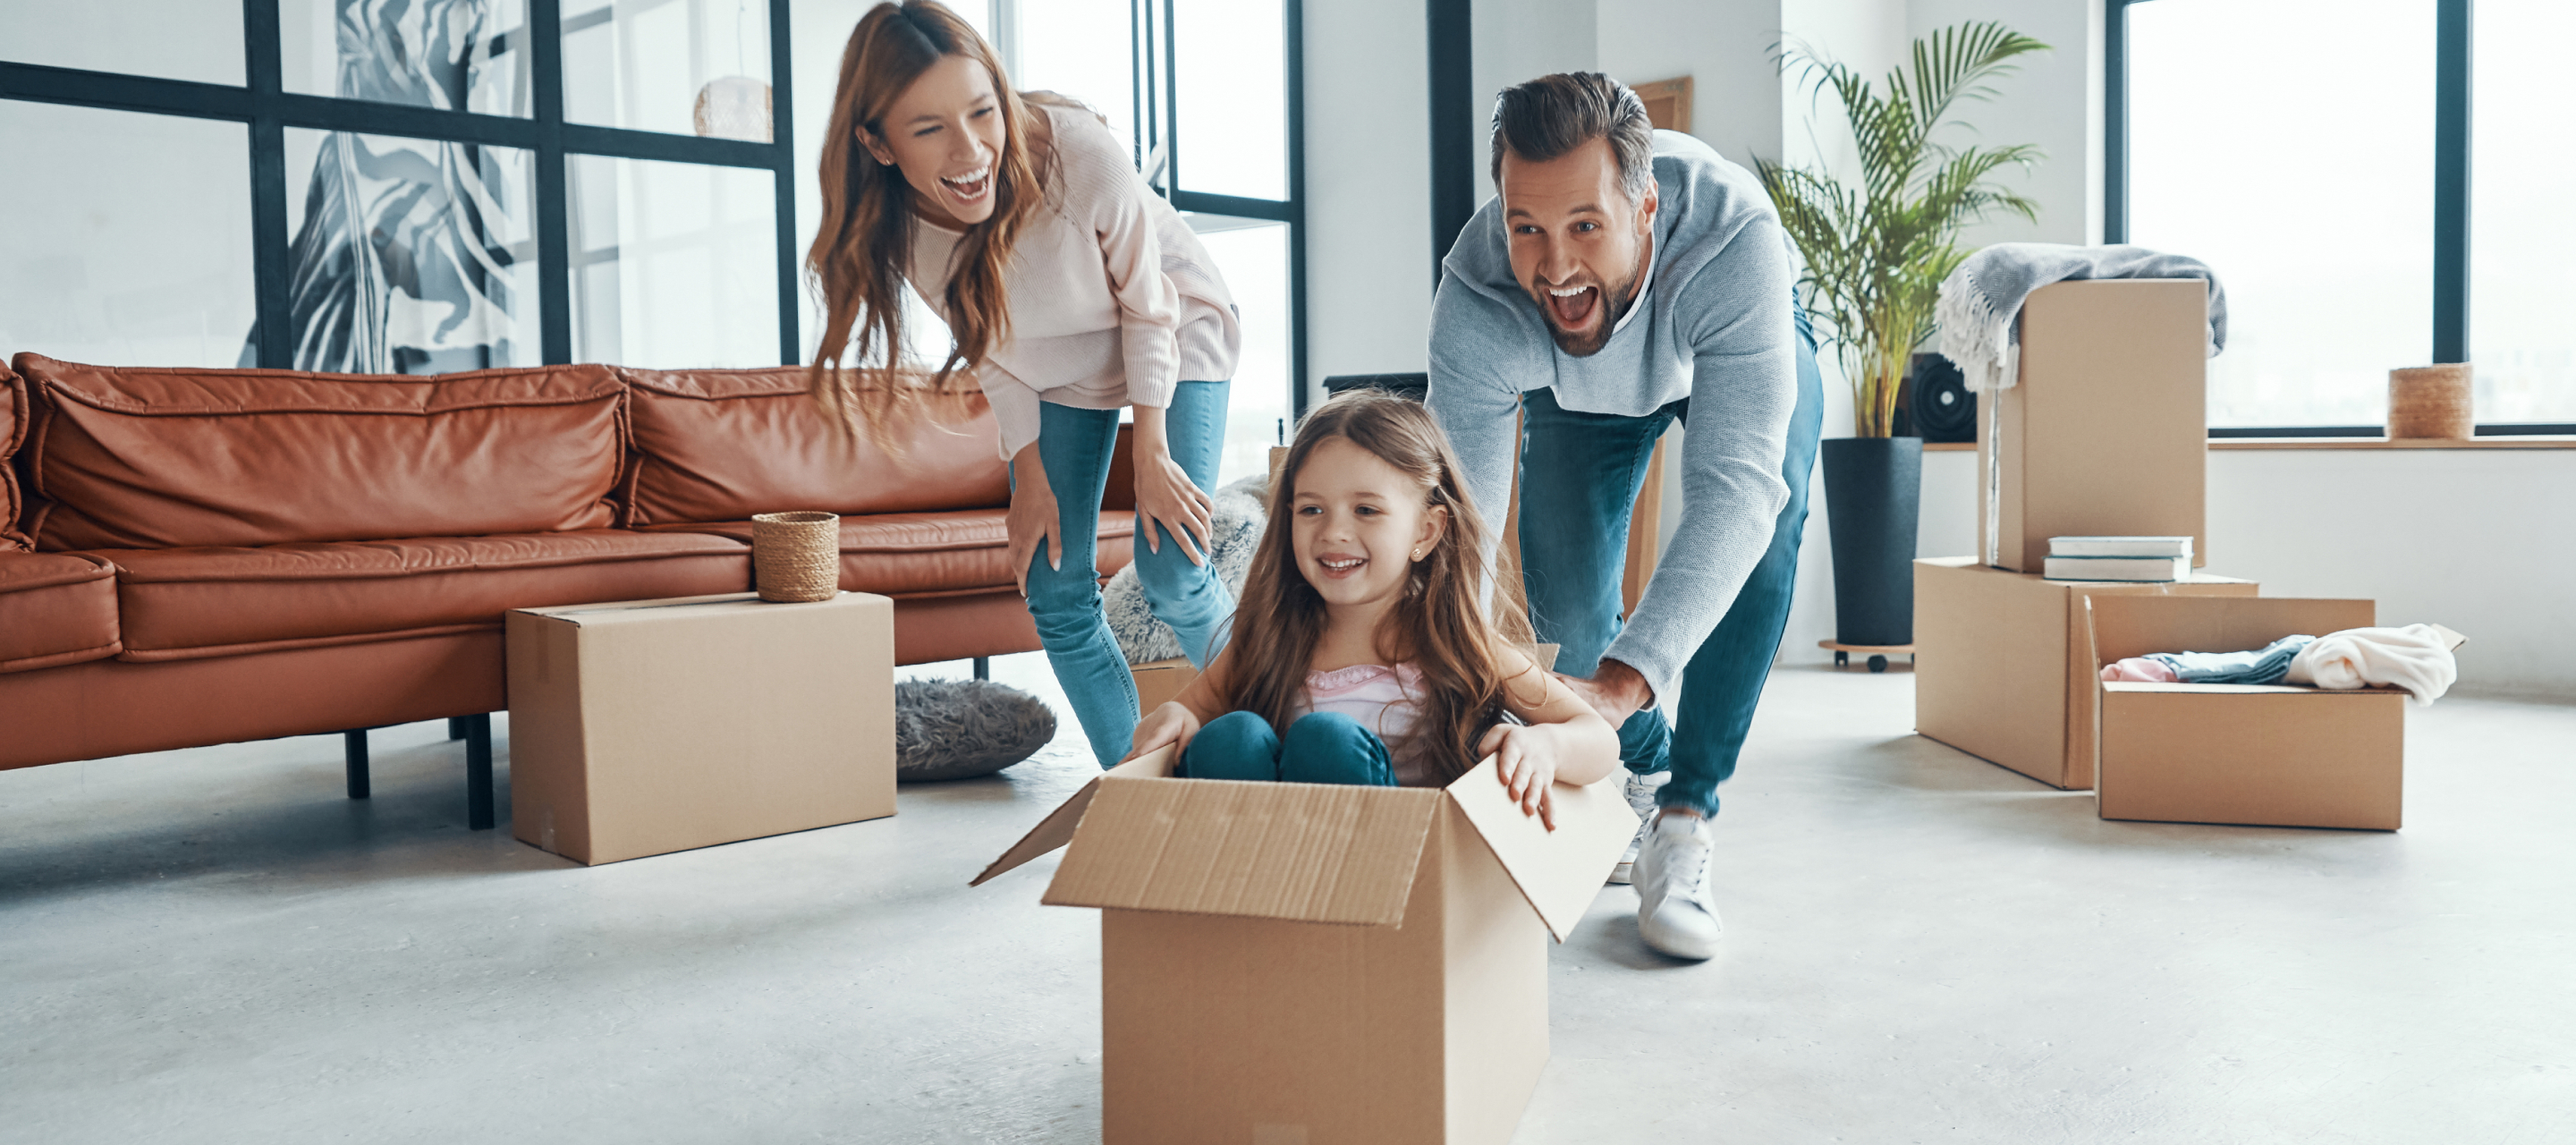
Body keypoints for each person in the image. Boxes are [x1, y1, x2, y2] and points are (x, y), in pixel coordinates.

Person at [1425, 73, 1826, 960]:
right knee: (1564, 615)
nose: (1555, 264)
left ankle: (1684, 817)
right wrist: (1444, 664)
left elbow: (1736, 490)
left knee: (1764, 527)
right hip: (1586, 386)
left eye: (1584, 227)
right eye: (1526, 226)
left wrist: (1624, 679)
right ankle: (1637, 764)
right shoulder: (1484, 290)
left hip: (1722, 337)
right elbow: (1466, 523)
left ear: (1645, 208)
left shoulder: (1731, 238)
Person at [808, 1, 1241, 768]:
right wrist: (1029, 476)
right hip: (1061, 368)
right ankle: (1137, 794)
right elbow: (991, 345)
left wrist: (1150, 458)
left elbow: (1148, 306)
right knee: (1051, 584)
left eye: (982, 112)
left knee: (1172, 563)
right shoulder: (900, 224)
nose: (970, 150)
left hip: (1175, 327)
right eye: (928, 128)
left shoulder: (1079, 154)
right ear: (877, 143)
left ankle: (1286, 737)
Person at [1126, 392, 1619, 819]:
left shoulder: (1453, 642)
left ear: (1426, 531)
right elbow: (1188, 714)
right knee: (1230, 737)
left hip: (1394, 876)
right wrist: (1173, 719)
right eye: (1311, 509)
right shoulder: (1272, 639)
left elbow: (1598, 737)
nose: (1334, 532)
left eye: (1366, 510)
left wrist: (1546, 745)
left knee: (1326, 743)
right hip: (1263, 865)